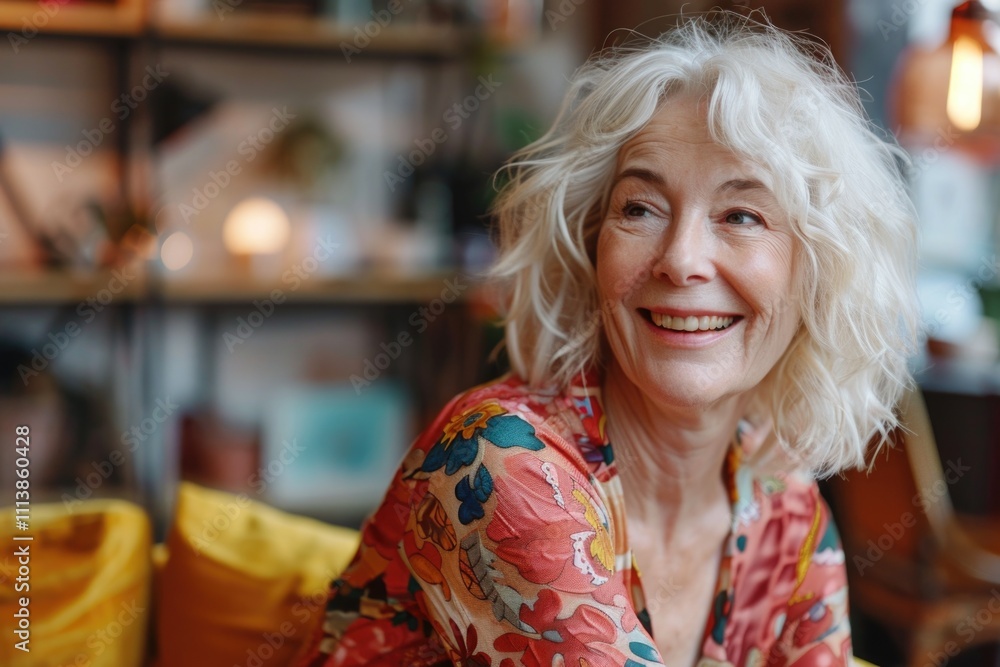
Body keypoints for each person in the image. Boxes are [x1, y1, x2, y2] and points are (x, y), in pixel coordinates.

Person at [297, 13, 918, 667]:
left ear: (816, 275)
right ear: (590, 250)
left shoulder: (782, 513)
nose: (681, 259)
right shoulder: (500, 464)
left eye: (741, 214)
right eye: (640, 208)